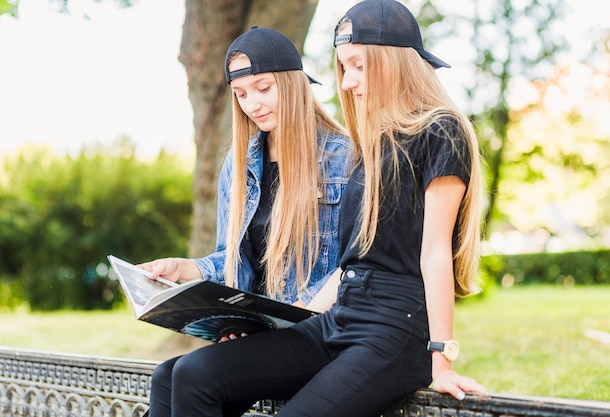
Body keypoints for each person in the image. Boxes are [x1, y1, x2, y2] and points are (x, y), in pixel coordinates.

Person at [147, 1, 486, 416]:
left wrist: (442, 359)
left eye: (358, 66)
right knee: (193, 374)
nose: (347, 82)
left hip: (394, 328)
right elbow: (348, 263)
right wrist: (271, 329)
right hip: (340, 315)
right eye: (344, 68)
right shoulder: (373, 141)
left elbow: (435, 254)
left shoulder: (441, 129)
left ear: (394, 60)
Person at [138, 27, 351, 316]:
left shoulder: (344, 158)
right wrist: (185, 268)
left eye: (263, 88)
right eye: (240, 94)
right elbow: (235, 262)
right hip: (260, 323)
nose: (252, 105)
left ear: (293, 84)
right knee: (172, 365)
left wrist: (298, 313)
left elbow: (355, 265)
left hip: (317, 324)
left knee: (192, 366)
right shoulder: (238, 165)